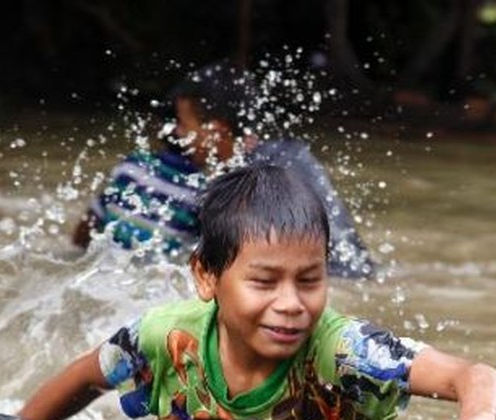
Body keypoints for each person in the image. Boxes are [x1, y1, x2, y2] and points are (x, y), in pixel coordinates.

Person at [23, 162, 496, 420]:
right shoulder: (162, 338)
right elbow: (84, 378)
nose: (291, 304)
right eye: (264, 282)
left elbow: (472, 374)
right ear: (206, 276)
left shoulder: (343, 351)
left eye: (309, 280)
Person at [75, 62, 377, 279]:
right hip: (347, 276)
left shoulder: (248, 180)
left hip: (334, 282)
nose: (177, 133)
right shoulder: (290, 156)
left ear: (216, 130)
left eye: (184, 123)